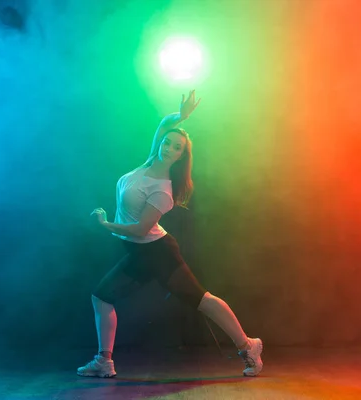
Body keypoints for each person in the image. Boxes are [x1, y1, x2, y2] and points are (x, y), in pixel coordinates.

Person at [79, 90, 263, 378]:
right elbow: (165, 123)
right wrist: (182, 117)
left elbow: (140, 229)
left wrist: (106, 225)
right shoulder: (149, 162)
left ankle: (248, 345)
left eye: (177, 147)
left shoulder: (163, 189)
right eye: (168, 142)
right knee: (101, 297)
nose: (169, 148)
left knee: (202, 300)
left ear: (181, 156)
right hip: (139, 252)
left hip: (158, 253)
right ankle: (104, 361)